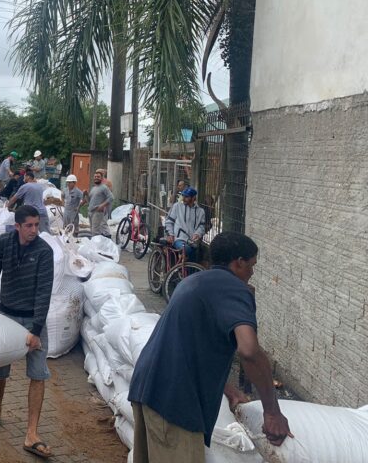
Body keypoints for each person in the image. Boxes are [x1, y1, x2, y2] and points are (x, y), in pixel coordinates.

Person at [128, 232, 293, 463]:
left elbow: (189, 345)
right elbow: (249, 351)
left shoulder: (193, 281)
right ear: (239, 262)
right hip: (174, 401)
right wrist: (272, 412)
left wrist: (226, 388)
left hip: (147, 387)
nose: (252, 273)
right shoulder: (234, 289)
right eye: (252, 265)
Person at [0, 205, 54, 459]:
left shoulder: (44, 251)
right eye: (29, 225)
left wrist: (36, 331)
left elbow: (44, 292)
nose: (35, 230)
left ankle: (32, 433)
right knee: (0, 368)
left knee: (38, 373)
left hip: (34, 319)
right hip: (7, 315)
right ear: (18, 226)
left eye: (37, 224)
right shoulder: (4, 242)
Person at [164, 186, 206, 262]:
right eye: (183, 196)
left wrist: (197, 234)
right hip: (179, 239)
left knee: (197, 255)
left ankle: (187, 272)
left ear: (193, 198)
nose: (183, 198)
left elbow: (202, 226)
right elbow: (169, 222)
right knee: (186, 249)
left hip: (193, 241)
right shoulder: (177, 206)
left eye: (186, 197)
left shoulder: (200, 211)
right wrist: (170, 234)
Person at [88, 170, 114, 236]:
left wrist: (102, 206)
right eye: (95, 176)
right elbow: (89, 200)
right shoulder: (93, 188)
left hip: (97, 212)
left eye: (98, 177)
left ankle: (97, 244)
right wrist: (85, 194)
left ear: (102, 178)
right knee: (92, 230)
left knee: (95, 231)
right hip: (91, 212)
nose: (96, 178)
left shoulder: (104, 187)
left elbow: (111, 198)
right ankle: (96, 244)